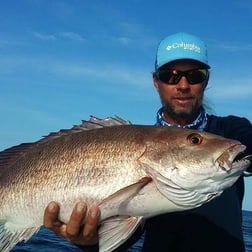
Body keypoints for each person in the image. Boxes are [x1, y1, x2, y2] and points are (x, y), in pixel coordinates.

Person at [43, 32, 252, 252]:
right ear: (156, 81)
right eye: (170, 75)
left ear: (206, 81)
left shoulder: (231, 130)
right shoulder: (131, 141)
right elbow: (122, 239)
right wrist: (89, 242)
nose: (182, 85)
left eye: (195, 75)